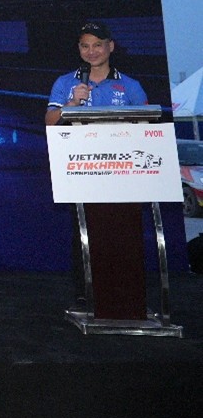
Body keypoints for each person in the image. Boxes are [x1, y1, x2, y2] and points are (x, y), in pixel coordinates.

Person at [43, 20, 149, 306]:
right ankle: (85, 293)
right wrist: (72, 105)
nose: (91, 52)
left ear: (110, 47)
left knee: (122, 232)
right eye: (85, 46)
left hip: (122, 172)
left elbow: (147, 125)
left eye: (98, 45)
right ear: (79, 49)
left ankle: (126, 292)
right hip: (82, 171)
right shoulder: (66, 83)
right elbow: (50, 122)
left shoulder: (130, 86)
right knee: (85, 232)